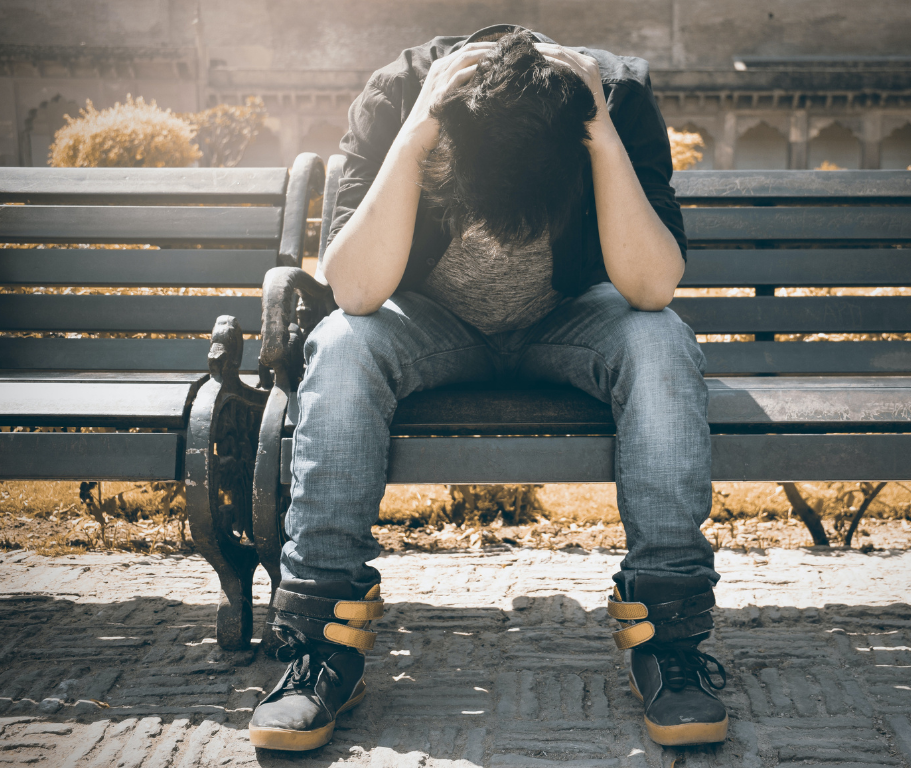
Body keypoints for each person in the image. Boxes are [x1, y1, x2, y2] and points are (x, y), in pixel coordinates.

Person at [247, 23, 727, 753]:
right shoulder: (397, 96)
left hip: (570, 319)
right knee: (342, 345)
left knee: (660, 341)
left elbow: (651, 285)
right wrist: (414, 136)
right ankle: (319, 647)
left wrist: (598, 136)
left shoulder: (617, 99)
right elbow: (354, 288)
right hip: (432, 324)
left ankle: (670, 639)